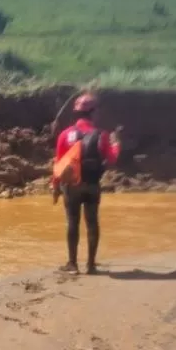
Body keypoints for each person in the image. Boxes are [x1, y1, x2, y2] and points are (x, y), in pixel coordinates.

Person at [51, 93, 121, 275]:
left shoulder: (65, 134)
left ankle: (72, 265)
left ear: (77, 112)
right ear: (93, 112)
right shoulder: (102, 135)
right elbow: (111, 159)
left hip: (71, 186)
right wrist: (116, 144)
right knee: (92, 222)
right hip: (92, 184)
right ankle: (91, 265)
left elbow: (59, 163)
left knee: (72, 222)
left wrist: (55, 187)